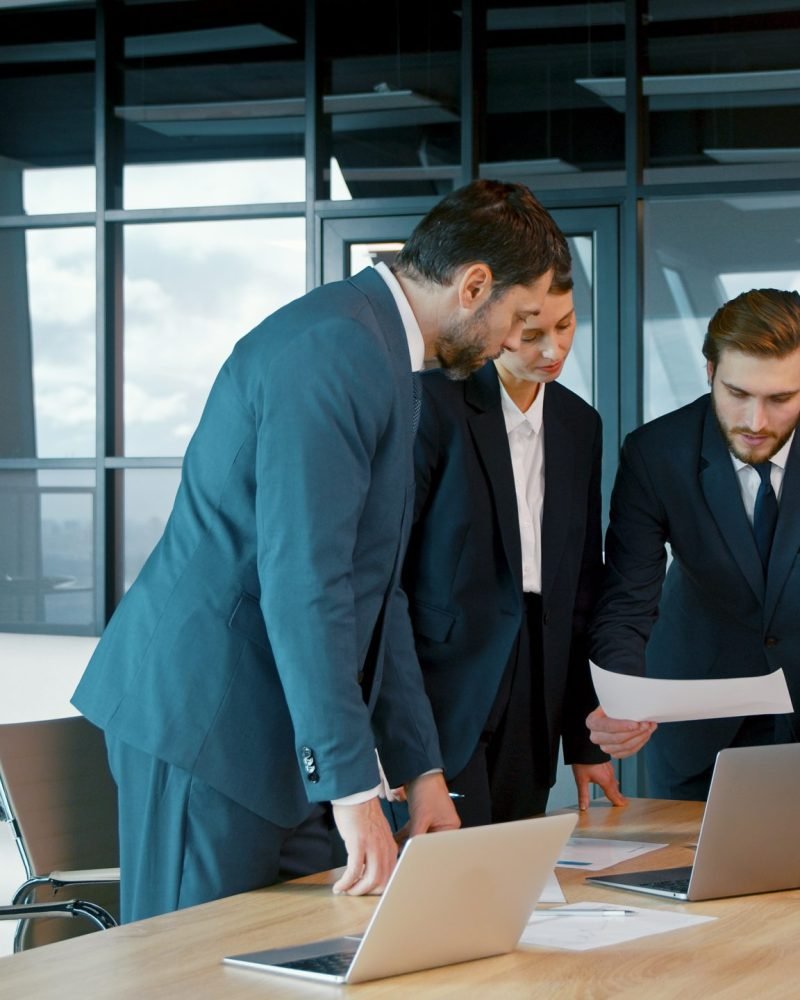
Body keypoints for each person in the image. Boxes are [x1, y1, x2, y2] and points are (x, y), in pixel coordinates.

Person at [71, 179, 569, 922]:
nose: (512, 347)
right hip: (210, 725)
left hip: (283, 734)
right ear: (474, 286)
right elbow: (307, 583)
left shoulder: (384, 354)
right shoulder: (338, 349)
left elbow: (378, 592)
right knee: (189, 972)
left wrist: (420, 771)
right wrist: (351, 785)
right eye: (519, 321)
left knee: (300, 956)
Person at [400, 268, 625, 828]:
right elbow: (391, 577)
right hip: (445, 679)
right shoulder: (433, 403)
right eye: (531, 334)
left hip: (537, 675)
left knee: (515, 861)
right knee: (446, 875)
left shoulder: (580, 423)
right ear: (496, 324)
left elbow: (579, 584)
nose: (554, 350)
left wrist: (583, 737)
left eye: (566, 325)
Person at [587, 288, 800, 800]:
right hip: (697, 718)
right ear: (709, 372)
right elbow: (627, 596)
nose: (757, 422)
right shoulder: (656, 453)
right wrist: (620, 694)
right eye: (738, 393)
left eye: (780, 399)